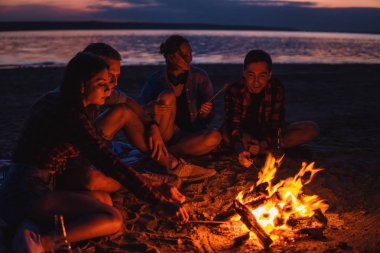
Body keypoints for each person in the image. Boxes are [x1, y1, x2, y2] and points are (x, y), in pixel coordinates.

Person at [0, 52, 188, 253]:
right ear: (82, 85)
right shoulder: (72, 116)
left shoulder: (55, 98)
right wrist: (158, 202)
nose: (108, 89)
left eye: (109, 82)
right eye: (101, 84)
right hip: (29, 191)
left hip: (26, 182)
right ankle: (45, 241)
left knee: (103, 199)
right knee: (113, 218)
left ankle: (30, 225)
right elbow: (111, 164)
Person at [65, 42, 217, 186]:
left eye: (116, 77)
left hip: (171, 135)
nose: (115, 82)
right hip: (77, 156)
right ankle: (149, 174)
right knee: (97, 184)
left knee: (123, 110)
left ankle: (170, 164)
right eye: (110, 76)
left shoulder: (199, 76)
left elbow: (129, 102)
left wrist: (152, 126)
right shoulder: (67, 104)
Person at [222, 49, 319, 167]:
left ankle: (262, 151)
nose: (256, 82)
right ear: (243, 73)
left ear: (269, 75)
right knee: (225, 133)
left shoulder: (276, 88)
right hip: (244, 135)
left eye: (262, 75)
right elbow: (233, 126)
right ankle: (257, 152)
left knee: (311, 128)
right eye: (251, 75)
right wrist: (241, 150)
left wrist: (262, 144)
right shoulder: (234, 90)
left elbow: (276, 125)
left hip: (267, 134)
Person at [137, 35, 222, 158]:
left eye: (190, 53)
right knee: (167, 96)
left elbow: (209, 116)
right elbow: (138, 107)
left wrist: (206, 112)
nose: (189, 59)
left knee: (215, 137)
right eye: (184, 55)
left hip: (191, 135)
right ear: (170, 57)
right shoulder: (156, 79)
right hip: (166, 134)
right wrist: (150, 108)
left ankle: (165, 154)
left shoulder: (200, 76)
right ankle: (168, 152)